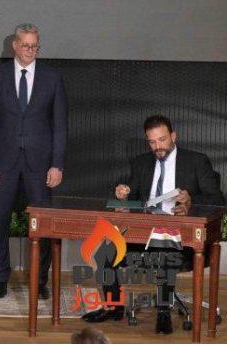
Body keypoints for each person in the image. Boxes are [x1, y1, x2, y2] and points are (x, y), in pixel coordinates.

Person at [82, 115, 225, 334]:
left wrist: (191, 200)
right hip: (144, 234)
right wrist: (123, 194)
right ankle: (113, 307)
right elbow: (134, 198)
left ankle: (164, 312)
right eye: (152, 142)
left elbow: (217, 199)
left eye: (162, 139)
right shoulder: (141, 162)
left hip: (182, 238)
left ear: (173, 137)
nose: (158, 147)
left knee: (164, 251)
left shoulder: (196, 161)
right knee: (105, 253)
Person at [0, 23, 68, 299]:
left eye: (35, 46)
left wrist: (57, 164)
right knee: (0, 221)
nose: (30, 50)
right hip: (2, 163)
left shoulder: (52, 78)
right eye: (26, 45)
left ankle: (39, 281)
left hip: (40, 164)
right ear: (15, 46)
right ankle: (0, 278)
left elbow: (60, 125)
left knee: (42, 223)